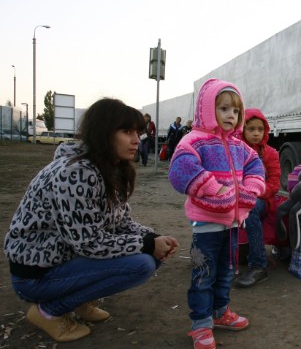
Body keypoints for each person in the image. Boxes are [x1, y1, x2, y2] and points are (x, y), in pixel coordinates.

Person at [3, 98, 179, 343]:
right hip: (35, 275)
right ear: (103, 132)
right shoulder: (76, 172)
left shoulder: (105, 167)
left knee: (151, 254)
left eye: (137, 132)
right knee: (142, 264)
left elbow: (120, 222)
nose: (136, 140)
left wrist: (154, 238)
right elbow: (88, 243)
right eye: (126, 131)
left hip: (63, 260)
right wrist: (147, 245)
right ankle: (48, 312)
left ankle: (80, 301)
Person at [168, 79, 266, 349]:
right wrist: (216, 190)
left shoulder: (240, 146)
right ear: (209, 110)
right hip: (207, 225)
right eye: (223, 109)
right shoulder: (194, 141)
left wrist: (249, 192)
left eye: (235, 111)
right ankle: (200, 324)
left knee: (226, 271)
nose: (230, 116)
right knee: (203, 274)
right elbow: (180, 171)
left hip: (234, 223)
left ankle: (221, 313)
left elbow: (256, 167)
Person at [234, 108, 281, 288]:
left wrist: (253, 193)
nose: (256, 133)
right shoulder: (235, 149)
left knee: (251, 208)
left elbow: (275, 184)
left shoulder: (270, 153)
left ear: (265, 130)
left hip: (261, 200)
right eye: (251, 129)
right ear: (242, 129)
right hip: (236, 196)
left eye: (260, 129)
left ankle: (259, 265)